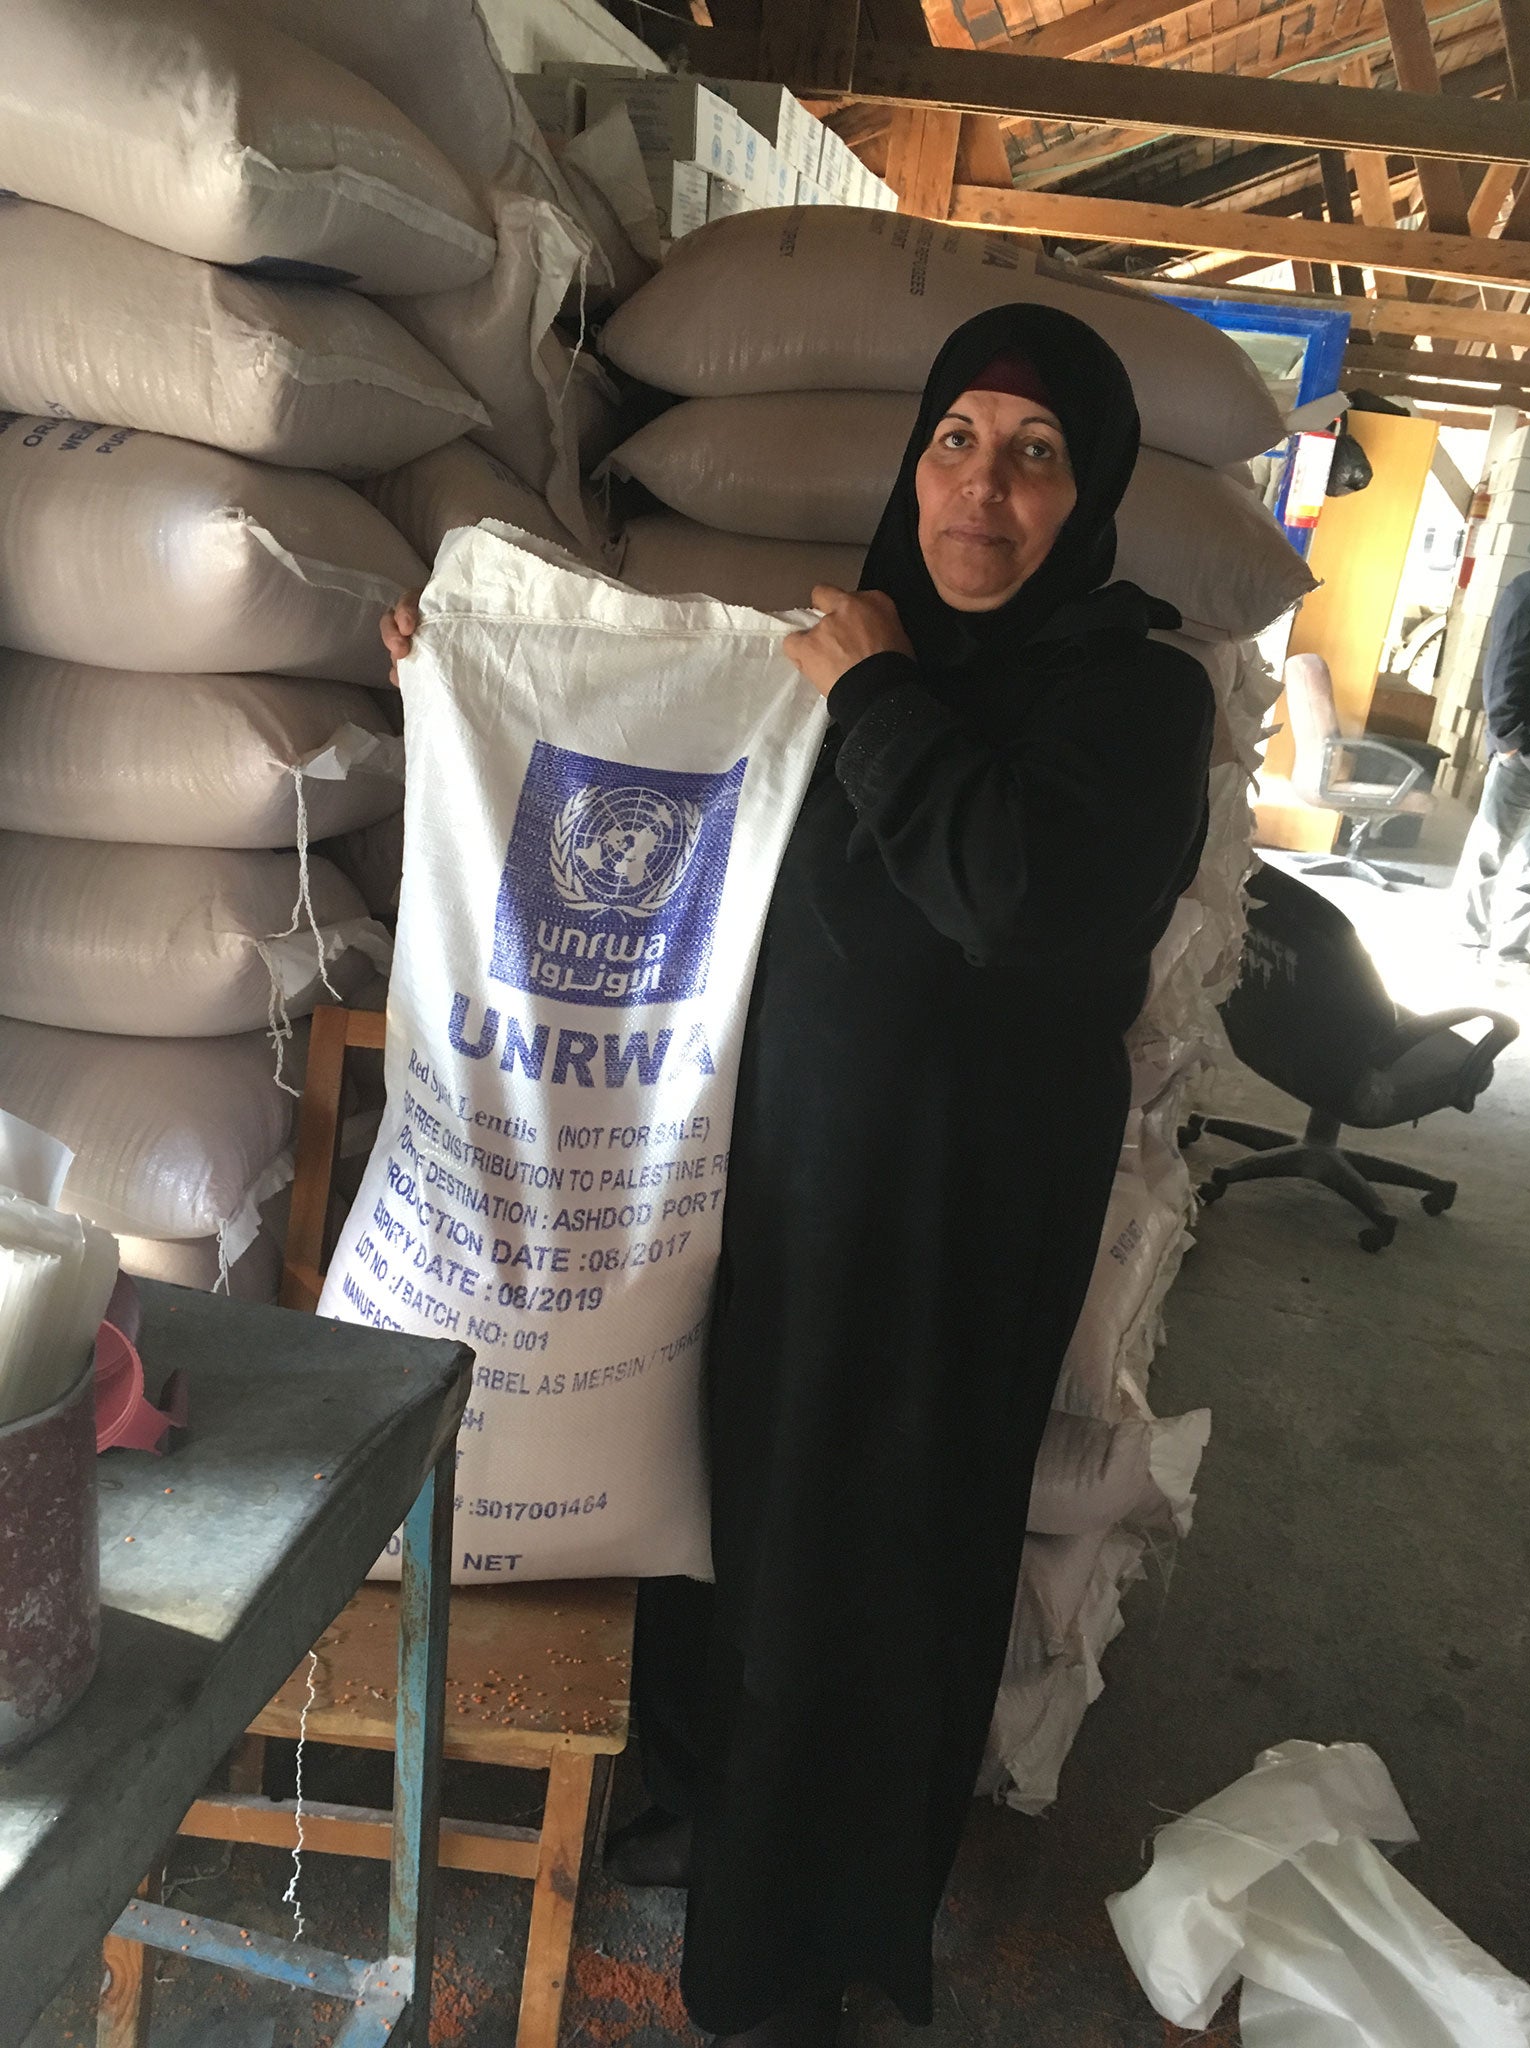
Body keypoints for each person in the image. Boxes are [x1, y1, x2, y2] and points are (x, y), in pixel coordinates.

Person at [380, 302, 1214, 2047]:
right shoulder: (842, 649)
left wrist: (884, 689)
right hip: (768, 1183)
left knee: (878, 1558)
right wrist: (465, 686)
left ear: (1097, 488)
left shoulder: (1130, 692)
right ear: (914, 460)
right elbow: (655, 779)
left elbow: (1018, 899)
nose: (982, 488)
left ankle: (800, 1953)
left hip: (952, 1218)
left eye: (1036, 452)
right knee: (731, 1520)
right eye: (956, 440)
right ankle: (699, 1808)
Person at [1452, 567, 1530, 979]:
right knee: (1490, 849)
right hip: (1525, 750)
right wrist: (1512, 742)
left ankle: (1512, 949)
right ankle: (1468, 939)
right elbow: (1504, 670)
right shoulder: (1529, 591)